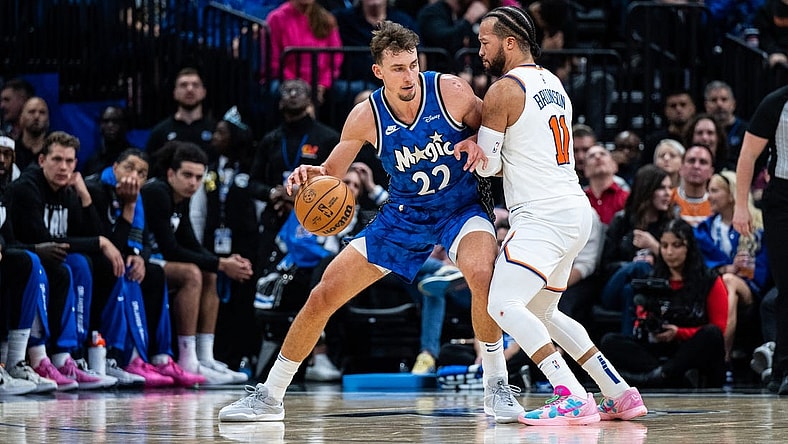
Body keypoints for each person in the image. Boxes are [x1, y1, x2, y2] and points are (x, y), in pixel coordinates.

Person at [219, 20, 519, 424]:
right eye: (398, 68)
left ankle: (496, 385)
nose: (408, 75)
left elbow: (495, 132)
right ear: (379, 71)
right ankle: (269, 396)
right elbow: (331, 171)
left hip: (460, 208)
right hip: (403, 217)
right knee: (323, 294)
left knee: (482, 273)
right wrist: (311, 175)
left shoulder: (451, 90)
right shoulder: (365, 116)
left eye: (413, 64)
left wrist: (476, 141)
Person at [471, 6, 646, 425]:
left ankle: (568, 392)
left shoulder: (503, 90)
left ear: (509, 42)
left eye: (484, 41)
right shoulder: (554, 83)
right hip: (574, 209)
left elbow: (488, 167)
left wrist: (470, 146)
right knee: (544, 312)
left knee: (502, 303)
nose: (479, 50)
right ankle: (619, 393)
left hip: (542, 214)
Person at [6, 131, 124, 390]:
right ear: (41, 160)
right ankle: (42, 356)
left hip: (45, 258)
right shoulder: (28, 187)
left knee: (83, 264)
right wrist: (99, 242)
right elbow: (46, 239)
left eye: (70, 161)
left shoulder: (68, 190)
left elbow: (92, 233)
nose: (64, 167)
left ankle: (70, 356)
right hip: (23, 255)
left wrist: (84, 195)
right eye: (57, 159)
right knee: (60, 270)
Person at [86, 148, 206, 387]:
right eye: (129, 168)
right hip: (95, 260)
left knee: (152, 272)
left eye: (141, 173)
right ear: (115, 167)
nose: (134, 176)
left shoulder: (138, 196)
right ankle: (124, 357)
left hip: (120, 258)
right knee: (123, 271)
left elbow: (145, 241)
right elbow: (108, 241)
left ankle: (160, 357)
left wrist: (139, 256)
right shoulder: (96, 190)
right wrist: (129, 207)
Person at [142, 141, 254, 385]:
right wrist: (221, 264)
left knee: (210, 273)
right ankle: (187, 359)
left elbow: (191, 242)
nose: (193, 182)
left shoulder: (181, 198)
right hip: (141, 260)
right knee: (192, 273)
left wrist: (221, 262)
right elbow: (171, 249)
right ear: (171, 173)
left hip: (159, 262)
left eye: (198, 177)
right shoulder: (156, 192)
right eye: (187, 175)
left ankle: (205, 356)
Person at [600, 219, 728, 388]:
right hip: (656, 349)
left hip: (690, 349)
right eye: (664, 245)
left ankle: (661, 375)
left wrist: (678, 333)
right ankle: (669, 376)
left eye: (676, 245)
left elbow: (719, 328)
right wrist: (647, 323)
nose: (669, 252)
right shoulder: (651, 279)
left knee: (712, 335)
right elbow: (640, 318)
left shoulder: (710, 280)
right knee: (609, 341)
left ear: (689, 248)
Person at [732, 84, 788, 395]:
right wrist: (741, 206)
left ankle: (779, 364)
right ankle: (783, 365)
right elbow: (748, 156)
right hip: (781, 200)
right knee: (786, 286)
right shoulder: (776, 103)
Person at [695, 171, 770, 373]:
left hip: (750, 290)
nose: (708, 196)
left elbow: (764, 273)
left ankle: (722, 356)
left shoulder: (758, 226)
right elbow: (698, 265)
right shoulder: (704, 228)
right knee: (726, 283)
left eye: (714, 191)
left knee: (728, 281)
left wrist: (740, 270)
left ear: (731, 195)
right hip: (713, 287)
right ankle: (723, 359)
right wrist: (726, 267)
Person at [145, 67, 216, 175]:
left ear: (204, 92)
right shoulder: (160, 132)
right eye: (183, 85)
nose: (190, 89)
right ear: (175, 92)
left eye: (195, 85)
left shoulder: (215, 130)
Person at [643, 90, 697, 167]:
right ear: (666, 111)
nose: (678, 109)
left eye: (683, 105)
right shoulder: (654, 141)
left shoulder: (700, 138)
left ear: (692, 108)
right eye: (673, 106)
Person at [703, 81, 748, 170]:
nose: (719, 104)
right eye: (714, 100)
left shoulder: (746, 130)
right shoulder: (702, 130)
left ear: (733, 104)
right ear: (706, 106)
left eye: (724, 99)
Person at [82, 105, 135, 177]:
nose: (110, 126)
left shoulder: (136, 158)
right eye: (106, 121)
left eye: (115, 121)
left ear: (125, 125)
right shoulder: (92, 162)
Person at [584, 144, 629, 225]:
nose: (597, 157)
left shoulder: (627, 198)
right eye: (591, 156)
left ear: (614, 166)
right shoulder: (580, 200)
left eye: (602, 154)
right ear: (585, 170)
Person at [672, 145, 714, 227]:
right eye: (691, 161)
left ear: (711, 172)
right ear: (681, 168)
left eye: (703, 162)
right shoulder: (669, 198)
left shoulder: (717, 203)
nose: (696, 166)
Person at [13, 97, 50, 170]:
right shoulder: (12, 150)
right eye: (31, 112)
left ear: (48, 119)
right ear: (21, 117)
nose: (36, 116)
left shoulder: (54, 151)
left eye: (42, 112)